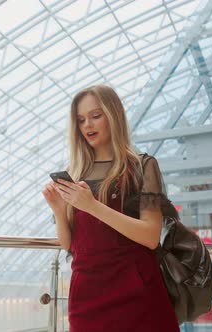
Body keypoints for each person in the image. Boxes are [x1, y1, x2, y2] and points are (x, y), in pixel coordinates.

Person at [42, 85, 180, 331]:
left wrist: (92, 206)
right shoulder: (75, 173)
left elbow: (150, 236)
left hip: (137, 292)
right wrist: (58, 210)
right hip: (86, 295)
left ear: (113, 115)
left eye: (96, 116)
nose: (87, 125)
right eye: (81, 120)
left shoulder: (143, 166)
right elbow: (69, 244)